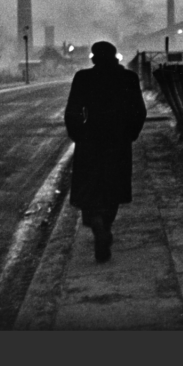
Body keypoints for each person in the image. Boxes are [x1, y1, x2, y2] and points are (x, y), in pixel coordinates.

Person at [64, 41, 147, 262]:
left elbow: (72, 111)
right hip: (118, 140)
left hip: (90, 139)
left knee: (89, 188)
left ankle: (98, 226)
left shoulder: (83, 78)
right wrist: (130, 133)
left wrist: (78, 134)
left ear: (93, 59)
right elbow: (139, 110)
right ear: (115, 58)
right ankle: (105, 225)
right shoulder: (128, 78)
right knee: (114, 186)